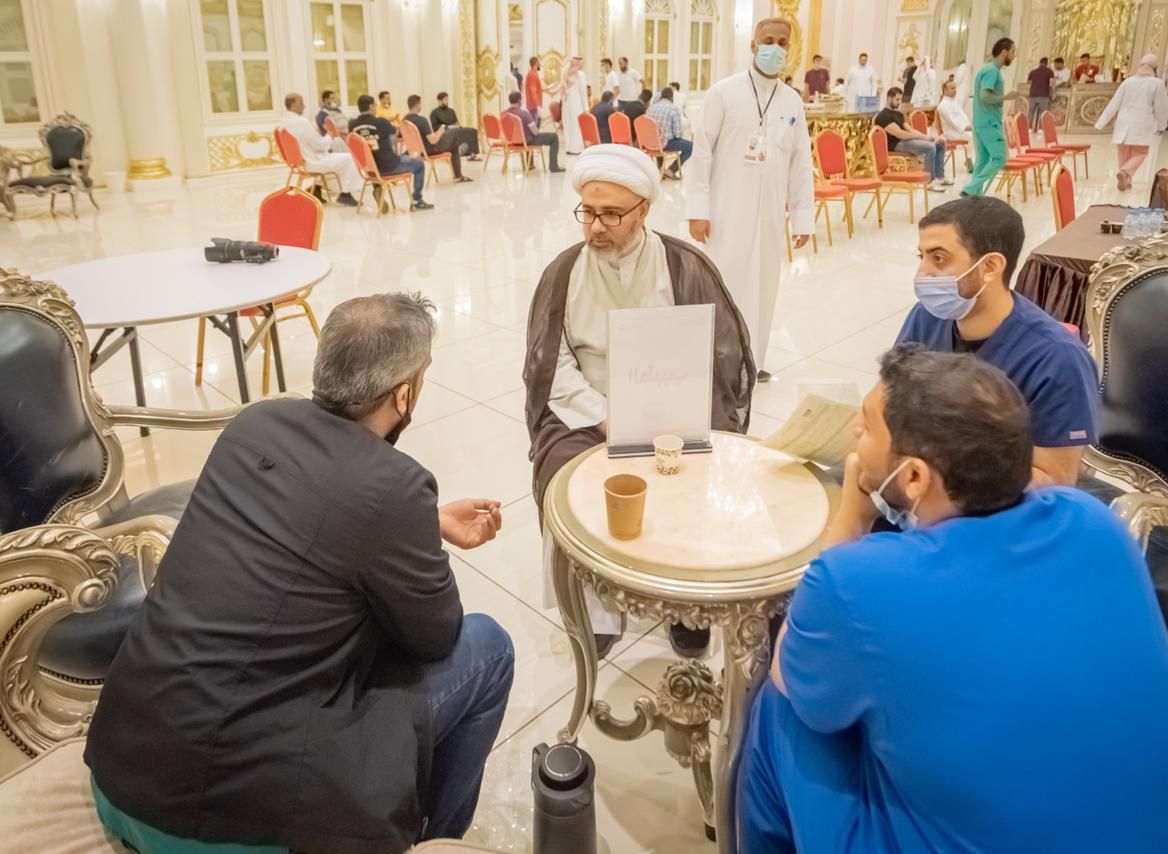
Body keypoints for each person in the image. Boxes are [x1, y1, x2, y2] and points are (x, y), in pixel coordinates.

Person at [737, 342, 1168, 854]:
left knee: (781, 706)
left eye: (864, 427)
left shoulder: (855, 580)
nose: (853, 434)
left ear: (913, 477)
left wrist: (850, 519)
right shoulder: (1095, 522)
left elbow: (790, 675)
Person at [85, 293, 516, 854]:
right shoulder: (396, 483)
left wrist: (422, 526)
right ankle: (435, 841)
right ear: (404, 394)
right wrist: (409, 527)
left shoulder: (253, 424)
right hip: (221, 826)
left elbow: (313, 517)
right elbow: (435, 634)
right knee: (489, 647)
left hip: (119, 775)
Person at [524, 144, 754, 659]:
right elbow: (551, 364)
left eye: (611, 214)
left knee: (695, 477)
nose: (595, 228)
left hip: (676, 405)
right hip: (588, 409)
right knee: (562, 479)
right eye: (588, 212)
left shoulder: (685, 266)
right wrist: (606, 416)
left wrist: (676, 411)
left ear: (644, 209)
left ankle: (688, 608)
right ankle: (596, 615)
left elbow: (720, 353)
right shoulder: (563, 272)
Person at [896, 196, 1097, 486]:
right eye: (921, 257)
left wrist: (942, 460)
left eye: (938, 258)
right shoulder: (926, 317)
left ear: (990, 266)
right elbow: (890, 399)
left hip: (992, 502)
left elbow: (1055, 481)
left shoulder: (1058, 359)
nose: (922, 273)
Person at [686, 17, 815, 380]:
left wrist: (802, 217)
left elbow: (800, 162)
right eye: (768, 40)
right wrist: (698, 210)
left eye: (782, 43)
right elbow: (702, 153)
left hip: (771, 213)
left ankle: (752, 360)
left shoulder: (792, 101)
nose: (775, 48)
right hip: (726, 210)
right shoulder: (724, 93)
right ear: (753, 45)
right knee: (726, 283)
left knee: (764, 286)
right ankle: (717, 361)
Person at [1094, 54, 1168, 191]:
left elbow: (1114, 104)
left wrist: (1100, 123)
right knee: (1140, 153)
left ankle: (1126, 181)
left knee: (1123, 154)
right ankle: (1125, 173)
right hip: (1142, 124)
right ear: (1155, 68)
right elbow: (1161, 107)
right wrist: (1161, 125)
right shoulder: (1157, 83)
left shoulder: (1128, 82)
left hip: (1123, 123)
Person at [350, 94, 430, 211]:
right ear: (371, 106)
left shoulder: (352, 125)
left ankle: (377, 187)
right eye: (375, 105)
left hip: (369, 169)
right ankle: (417, 200)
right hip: (389, 166)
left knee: (377, 157)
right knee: (419, 164)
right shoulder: (381, 122)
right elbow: (395, 133)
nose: (376, 108)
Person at [963, 38, 1019, 198]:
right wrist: (1006, 97)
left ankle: (975, 197)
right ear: (1004, 52)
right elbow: (985, 97)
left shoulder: (988, 70)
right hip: (989, 122)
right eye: (1013, 51)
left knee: (982, 160)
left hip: (981, 121)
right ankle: (972, 188)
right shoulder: (992, 71)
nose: (1014, 55)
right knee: (1000, 157)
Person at [281, 93, 360, 207]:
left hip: (299, 162)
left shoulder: (284, 121)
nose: (304, 106)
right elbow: (320, 145)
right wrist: (329, 135)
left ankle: (316, 189)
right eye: (301, 104)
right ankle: (345, 194)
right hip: (312, 162)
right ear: (293, 105)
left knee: (337, 156)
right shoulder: (301, 122)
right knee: (351, 158)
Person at [875, 87, 949, 190]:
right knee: (930, 147)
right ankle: (929, 182)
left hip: (906, 141)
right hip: (896, 144)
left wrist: (930, 138)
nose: (899, 102)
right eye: (897, 99)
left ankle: (940, 178)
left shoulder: (898, 114)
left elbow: (910, 130)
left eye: (900, 100)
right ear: (889, 99)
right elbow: (900, 134)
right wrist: (923, 138)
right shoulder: (883, 116)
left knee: (939, 144)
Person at [405, 94, 472, 184]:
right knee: (454, 132)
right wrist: (440, 131)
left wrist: (436, 134)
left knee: (453, 144)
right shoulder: (422, 120)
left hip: (417, 151)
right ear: (417, 105)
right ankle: (458, 173)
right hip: (430, 150)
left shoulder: (404, 121)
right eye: (420, 104)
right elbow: (433, 141)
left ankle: (456, 159)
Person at [504, 91, 564, 172]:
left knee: (528, 135)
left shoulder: (504, 114)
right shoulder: (524, 113)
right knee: (554, 137)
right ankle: (554, 167)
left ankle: (530, 165)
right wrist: (538, 123)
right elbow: (535, 132)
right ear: (519, 100)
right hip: (526, 141)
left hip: (511, 142)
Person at [647, 86, 692, 176]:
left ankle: (661, 169)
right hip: (665, 144)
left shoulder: (650, 108)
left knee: (660, 138)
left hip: (650, 144)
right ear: (672, 98)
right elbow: (678, 135)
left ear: (661, 96)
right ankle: (671, 170)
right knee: (691, 146)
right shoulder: (673, 109)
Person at [431, 92, 481, 161]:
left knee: (472, 131)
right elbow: (435, 127)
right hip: (444, 131)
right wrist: (447, 127)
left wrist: (457, 125)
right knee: (455, 132)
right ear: (440, 101)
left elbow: (456, 122)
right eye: (445, 99)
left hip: (455, 128)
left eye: (447, 99)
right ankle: (458, 153)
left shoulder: (451, 111)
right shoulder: (434, 113)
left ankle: (472, 154)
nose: (447, 101)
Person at [936, 78, 974, 170]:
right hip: (950, 132)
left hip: (960, 130)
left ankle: (971, 160)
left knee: (978, 134)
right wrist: (968, 128)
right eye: (952, 88)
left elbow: (963, 117)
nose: (955, 90)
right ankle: (969, 160)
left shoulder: (954, 101)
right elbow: (953, 122)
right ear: (945, 90)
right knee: (973, 136)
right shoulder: (943, 105)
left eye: (955, 88)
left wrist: (970, 126)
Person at [561, 56, 588, 155]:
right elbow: (583, 92)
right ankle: (577, 148)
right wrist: (586, 108)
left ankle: (569, 147)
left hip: (566, 103)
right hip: (576, 103)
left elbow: (563, 89)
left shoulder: (565, 72)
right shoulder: (580, 75)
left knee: (568, 124)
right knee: (577, 125)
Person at [1027, 56, 1056, 132]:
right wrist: (1052, 93)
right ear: (1047, 63)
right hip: (1044, 95)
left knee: (1031, 111)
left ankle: (1029, 128)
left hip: (1033, 94)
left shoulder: (1033, 71)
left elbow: (1028, 82)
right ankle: (1040, 129)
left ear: (1039, 63)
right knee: (1042, 112)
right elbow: (1051, 84)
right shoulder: (1050, 72)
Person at [525, 55, 543, 126]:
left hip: (533, 104)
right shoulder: (532, 74)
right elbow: (533, 91)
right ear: (536, 63)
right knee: (534, 125)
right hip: (533, 105)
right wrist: (537, 105)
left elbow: (535, 89)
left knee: (535, 124)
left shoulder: (534, 73)